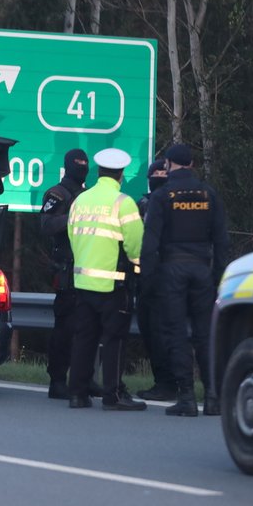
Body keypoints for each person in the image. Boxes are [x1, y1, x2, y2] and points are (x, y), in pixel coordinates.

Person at [141, 144, 230, 416]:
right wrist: (219, 277)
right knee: (205, 335)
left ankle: (187, 398)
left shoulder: (163, 195)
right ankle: (213, 397)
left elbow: (150, 242)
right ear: (191, 163)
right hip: (202, 269)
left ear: (168, 164)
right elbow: (222, 240)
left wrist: (147, 280)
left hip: (172, 270)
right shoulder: (208, 193)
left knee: (176, 333)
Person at [65, 148, 146, 411]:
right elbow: (136, 246)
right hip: (114, 283)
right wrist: (140, 267)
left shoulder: (80, 201)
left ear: (98, 172)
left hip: (83, 282)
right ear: (121, 174)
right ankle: (113, 396)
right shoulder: (124, 203)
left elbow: (72, 235)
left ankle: (77, 394)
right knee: (114, 339)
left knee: (84, 338)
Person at [40, 148, 103, 400]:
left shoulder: (88, 195)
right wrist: (74, 217)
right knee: (65, 329)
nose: (82, 167)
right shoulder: (57, 193)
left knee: (88, 329)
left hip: (89, 269)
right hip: (66, 269)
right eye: (78, 164)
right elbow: (45, 225)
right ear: (68, 166)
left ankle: (84, 379)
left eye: (85, 164)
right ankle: (57, 380)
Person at [135, 159, 177, 401]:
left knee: (162, 332)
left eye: (164, 173)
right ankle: (167, 382)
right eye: (156, 173)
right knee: (153, 332)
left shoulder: (171, 204)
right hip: (149, 277)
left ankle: (169, 383)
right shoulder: (142, 206)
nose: (160, 176)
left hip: (165, 276)